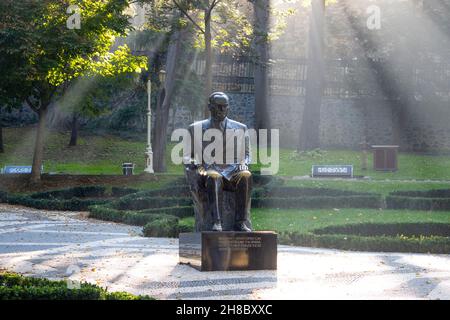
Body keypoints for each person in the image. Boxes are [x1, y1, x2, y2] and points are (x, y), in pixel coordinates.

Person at [185, 92, 252, 232]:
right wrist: (199, 165)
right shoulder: (195, 128)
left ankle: (240, 222)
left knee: (245, 175)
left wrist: (244, 163)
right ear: (210, 107)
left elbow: (246, 154)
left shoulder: (240, 128)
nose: (221, 110)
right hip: (208, 171)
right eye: (218, 107)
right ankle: (217, 222)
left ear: (228, 108)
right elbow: (187, 157)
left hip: (232, 171)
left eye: (224, 107)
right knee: (214, 176)